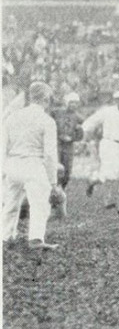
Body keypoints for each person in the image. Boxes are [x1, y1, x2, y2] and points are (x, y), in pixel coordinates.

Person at [2, 81, 60, 249]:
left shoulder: (13, 116)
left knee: (11, 203)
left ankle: (5, 237)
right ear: (46, 98)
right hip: (32, 164)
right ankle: (35, 239)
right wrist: (53, 182)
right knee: (40, 203)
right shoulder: (47, 120)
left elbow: (3, 145)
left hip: (13, 163)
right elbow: (49, 154)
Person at [83, 89, 119, 199]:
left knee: (113, 173)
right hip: (108, 143)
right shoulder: (107, 111)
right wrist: (85, 131)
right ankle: (107, 199)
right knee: (107, 171)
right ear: (115, 100)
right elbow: (92, 121)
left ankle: (92, 181)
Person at [50, 91, 84, 189]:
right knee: (56, 166)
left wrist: (72, 137)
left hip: (69, 146)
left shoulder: (79, 117)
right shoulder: (56, 112)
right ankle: (53, 189)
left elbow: (81, 135)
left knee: (67, 170)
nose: (73, 105)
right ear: (66, 102)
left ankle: (62, 189)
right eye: (71, 102)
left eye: (76, 103)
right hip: (57, 143)